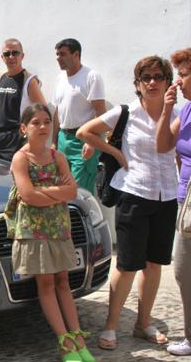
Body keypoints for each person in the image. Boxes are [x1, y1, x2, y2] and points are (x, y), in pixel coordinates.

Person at [76, 56, 178, 350]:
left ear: (167, 82)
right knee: (128, 264)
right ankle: (110, 326)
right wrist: (116, 154)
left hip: (167, 194)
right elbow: (84, 131)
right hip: (134, 193)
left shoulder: (177, 113)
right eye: (146, 77)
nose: (152, 82)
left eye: (158, 77)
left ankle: (143, 323)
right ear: (138, 83)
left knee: (155, 263)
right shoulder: (126, 112)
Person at [7, 103, 95, 362]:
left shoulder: (58, 157)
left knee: (63, 281)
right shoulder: (21, 158)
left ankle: (78, 338)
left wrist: (45, 192)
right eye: (36, 122)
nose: (43, 126)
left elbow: (72, 192)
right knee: (45, 284)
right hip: (34, 231)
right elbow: (27, 196)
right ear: (24, 128)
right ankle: (64, 342)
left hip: (58, 227)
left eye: (47, 121)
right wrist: (58, 192)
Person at [155, 47, 191, 356]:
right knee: (183, 271)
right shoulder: (187, 109)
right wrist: (167, 109)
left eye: (183, 74)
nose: (178, 81)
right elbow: (163, 144)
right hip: (185, 203)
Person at [53, 38, 107, 193]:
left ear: (76, 54)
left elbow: (100, 112)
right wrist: (54, 142)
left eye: (63, 54)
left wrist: (92, 142)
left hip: (83, 141)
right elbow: (57, 112)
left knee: (78, 192)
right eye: (57, 54)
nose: (58, 58)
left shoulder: (91, 76)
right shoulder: (60, 78)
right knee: (62, 189)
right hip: (63, 140)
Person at [0, 38, 47, 161]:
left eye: (15, 53)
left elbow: (43, 112)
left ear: (22, 56)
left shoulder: (29, 81)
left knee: (14, 173)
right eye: (7, 54)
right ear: (2, 57)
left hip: (18, 138)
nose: (11, 57)